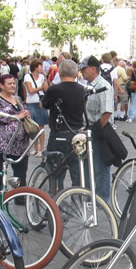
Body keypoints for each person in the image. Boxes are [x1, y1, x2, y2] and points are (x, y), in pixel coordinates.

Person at [42, 59, 86, 190]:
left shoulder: (55, 89)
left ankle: (55, 201)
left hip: (59, 134)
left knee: (55, 172)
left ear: (59, 73)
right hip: (77, 134)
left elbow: (43, 104)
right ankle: (77, 199)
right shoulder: (82, 89)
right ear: (75, 73)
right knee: (78, 173)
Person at [79, 55, 114, 200]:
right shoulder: (89, 85)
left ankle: (103, 198)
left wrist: (95, 131)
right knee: (90, 165)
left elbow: (106, 113)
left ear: (93, 69)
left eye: (84, 69)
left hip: (99, 131)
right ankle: (91, 195)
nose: (82, 72)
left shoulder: (103, 86)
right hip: (89, 129)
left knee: (101, 166)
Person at [0, 74, 31, 192]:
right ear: (1, 86)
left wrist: (26, 115)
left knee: (21, 173)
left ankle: (20, 197)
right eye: (9, 83)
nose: (13, 85)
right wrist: (18, 116)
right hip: (2, 144)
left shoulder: (18, 99)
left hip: (21, 145)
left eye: (14, 83)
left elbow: (24, 112)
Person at [23, 58, 49, 156]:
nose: (41, 68)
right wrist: (41, 87)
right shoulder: (27, 77)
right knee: (33, 127)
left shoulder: (42, 77)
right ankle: (35, 147)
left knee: (41, 127)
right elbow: (30, 90)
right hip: (31, 103)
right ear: (35, 67)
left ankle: (41, 149)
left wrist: (45, 78)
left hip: (40, 103)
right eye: (40, 66)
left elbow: (46, 89)